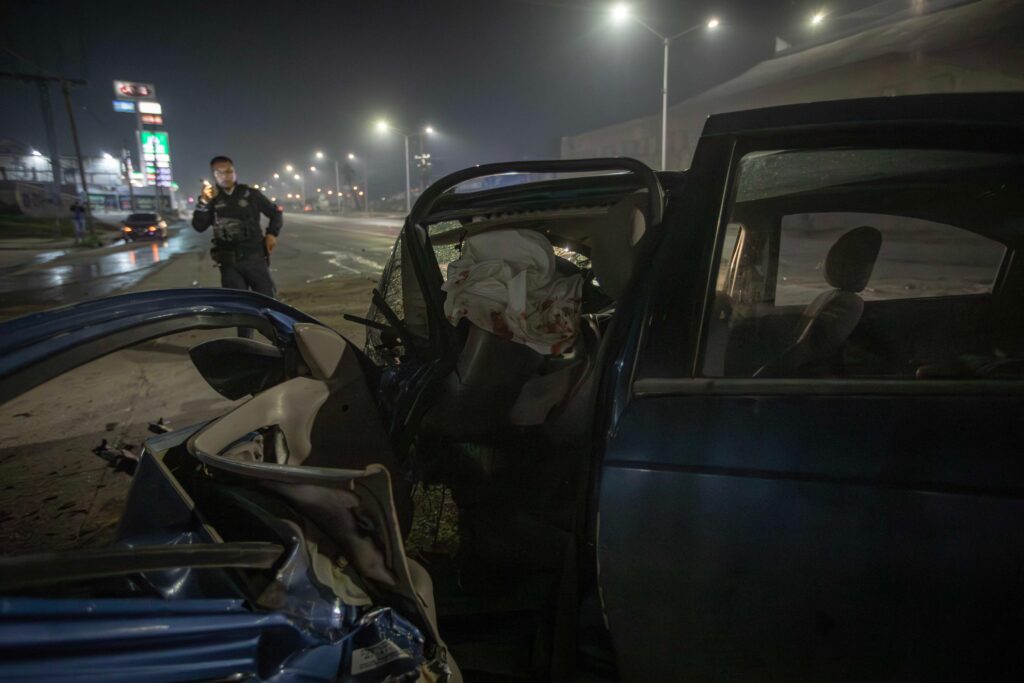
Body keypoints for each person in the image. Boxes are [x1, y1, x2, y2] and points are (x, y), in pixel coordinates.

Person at [192, 155, 282, 299]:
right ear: (214, 176)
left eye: (228, 171)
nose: (225, 176)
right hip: (229, 264)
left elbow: (276, 213)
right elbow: (199, 226)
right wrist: (203, 202)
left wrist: (272, 234)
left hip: (255, 259)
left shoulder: (250, 194)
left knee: (268, 302)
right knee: (239, 305)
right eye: (219, 173)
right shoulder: (210, 199)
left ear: (234, 172)